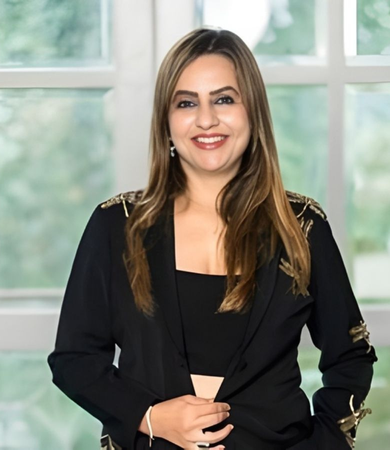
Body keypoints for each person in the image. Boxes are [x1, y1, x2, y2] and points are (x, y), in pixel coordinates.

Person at [47, 28, 377, 449]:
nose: (206, 119)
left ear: (252, 111)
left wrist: (324, 443)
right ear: (166, 122)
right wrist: (149, 417)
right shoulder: (117, 226)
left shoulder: (302, 227)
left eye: (224, 99)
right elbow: (74, 359)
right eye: (186, 103)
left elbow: (350, 357)